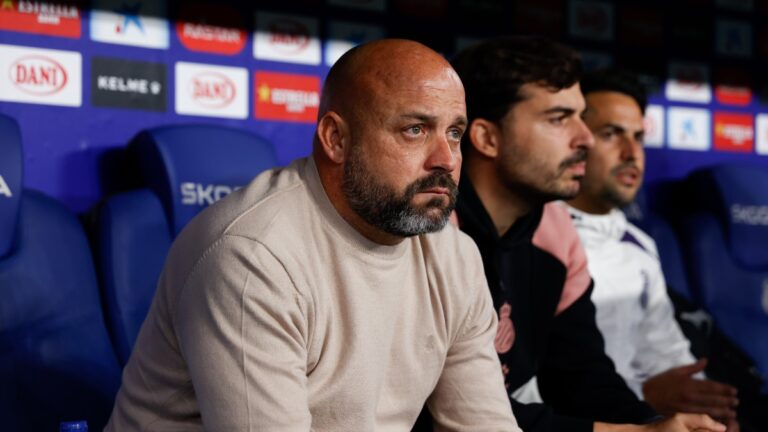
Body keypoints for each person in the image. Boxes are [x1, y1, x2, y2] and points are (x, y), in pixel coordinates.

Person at [105, 39, 521, 431]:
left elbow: (484, 423)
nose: (446, 159)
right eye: (415, 130)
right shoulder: (253, 256)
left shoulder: (455, 257)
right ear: (335, 139)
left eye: (454, 133)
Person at [448, 36, 726, 432]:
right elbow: (457, 411)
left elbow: (582, 376)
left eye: (581, 117)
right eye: (559, 119)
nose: (586, 138)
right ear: (487, 138)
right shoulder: (429, 232)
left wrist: (661, 425)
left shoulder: (556, 230)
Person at [565, 67, 740, 428]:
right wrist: (646, 394)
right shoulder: (532, 239)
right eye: (612, 134)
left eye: (639, 137)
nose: (632, 153)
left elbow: (669, 355)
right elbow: (527, 388)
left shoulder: (640, 245)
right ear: (573, 139)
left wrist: (706, 415)